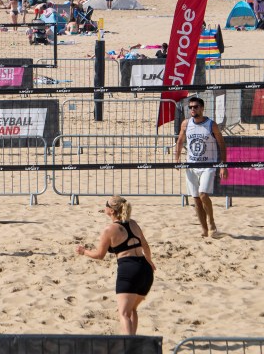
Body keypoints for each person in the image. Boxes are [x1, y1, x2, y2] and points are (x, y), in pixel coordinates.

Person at [75, 196, 155, 335]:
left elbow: (99, 255)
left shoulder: (110, 229)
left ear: (111, 211)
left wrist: (84, 251)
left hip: (129, 269)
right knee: (132, 310)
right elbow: (146, 246)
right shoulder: (133, 223)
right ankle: (133, 343)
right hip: (145, 270)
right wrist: (150, 262)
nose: (104, 206)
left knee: (123, 313)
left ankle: (128, 347)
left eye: (106, 205)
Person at [174, 96, 228, 238]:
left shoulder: (211, 124)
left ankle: (212, 223)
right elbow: (180, 140)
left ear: (202, 108)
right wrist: (177, 158)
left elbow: (222, 144)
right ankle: (204, 230)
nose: (192, 109)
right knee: (196, 199)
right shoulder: (186, 124)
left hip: (208, 165)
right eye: (190, 107)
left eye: (195, 107)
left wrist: (223, 165)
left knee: (203, 194)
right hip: (191, 165)